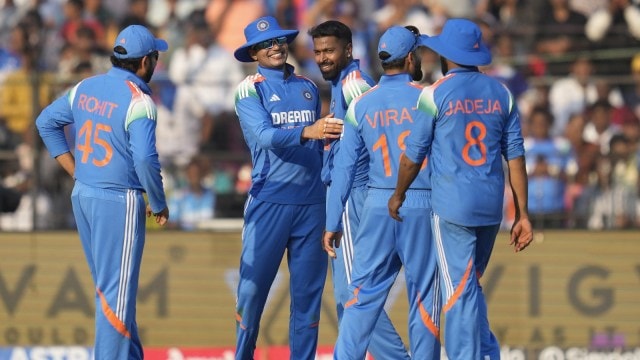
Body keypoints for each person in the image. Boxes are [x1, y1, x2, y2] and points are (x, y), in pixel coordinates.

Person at [388, 18, 533, 360]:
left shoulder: (434, 94)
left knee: (458, 292)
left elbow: (412, 155)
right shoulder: (502, 93)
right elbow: (516, 156)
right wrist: (523, 214)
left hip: (452, 207)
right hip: (490, 209)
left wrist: (398, 194)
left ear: (446, 56)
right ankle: (489, 354)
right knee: (469, 286)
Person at [35, 25, 170, 359]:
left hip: (84, 194)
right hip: (118, 200)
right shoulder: (139, 100)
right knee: (116, 298)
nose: (155, 63)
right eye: (154, 57)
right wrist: (158, 202)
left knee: (111, 294)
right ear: (145, 63)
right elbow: (143, 157)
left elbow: (45, 122)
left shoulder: (86, 86)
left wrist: (76, 171)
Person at [324, 25, 441, 359]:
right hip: (421, 201)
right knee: (424, 299)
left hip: (376, 205)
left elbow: (343, 168)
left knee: (361, 298)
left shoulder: (361, 104)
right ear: (409, 59)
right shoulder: (428, 97)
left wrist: (332, 222)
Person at [232, 15, 342, 360]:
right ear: (254, 52)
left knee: (308, 300)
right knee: (251, 294)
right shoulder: (250, 89)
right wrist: (308, 131)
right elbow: (264, 137)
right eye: (266, 43)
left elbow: (320, 144)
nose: (274, 47)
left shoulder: (308, 86)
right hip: (270, 201)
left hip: (312, 205)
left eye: (279, 40)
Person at [308, 20, 411, 359]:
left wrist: (339, 214)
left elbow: (362, 152)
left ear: (348, 50)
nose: (323, 57)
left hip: (357, 196)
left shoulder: (354, 86)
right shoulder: (342, 84)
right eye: (319, 51)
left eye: (330, 50)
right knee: (348, 298)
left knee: (355, 295)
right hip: (349, 196)